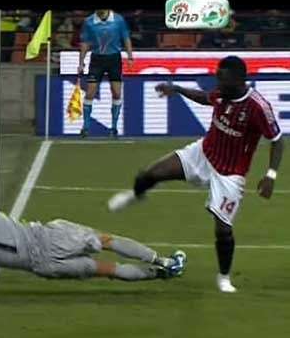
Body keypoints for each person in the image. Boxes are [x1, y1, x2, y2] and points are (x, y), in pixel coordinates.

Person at [108, 56, 284, 293]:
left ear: (239, 80)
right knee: (149, 174)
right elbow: (205, 98)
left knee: (223, 230)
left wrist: (270, 175)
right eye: (218, 78)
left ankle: (224, 278)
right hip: (202, 154)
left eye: (223, 79)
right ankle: (136, 195)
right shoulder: (223, 92)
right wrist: (178, 89)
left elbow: (277, 140)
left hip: (230, 174)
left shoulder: (257, 107)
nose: (218, 84)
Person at [0, 200, 188, 282]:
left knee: (108, 270)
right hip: (48, 238)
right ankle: (162, 261)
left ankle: (158, 275)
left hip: (42, 266)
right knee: (106, 241)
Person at [78, 9, 134, 138]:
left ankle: (114, 127)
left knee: (117, 93)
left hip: (114, 59)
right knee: (90, 92)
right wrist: (81, 62)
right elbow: (85, 43)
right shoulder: (89, 22)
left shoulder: (118, 20)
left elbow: (126, 38)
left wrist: (130, 56)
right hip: (97, 59)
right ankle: (86, 127)